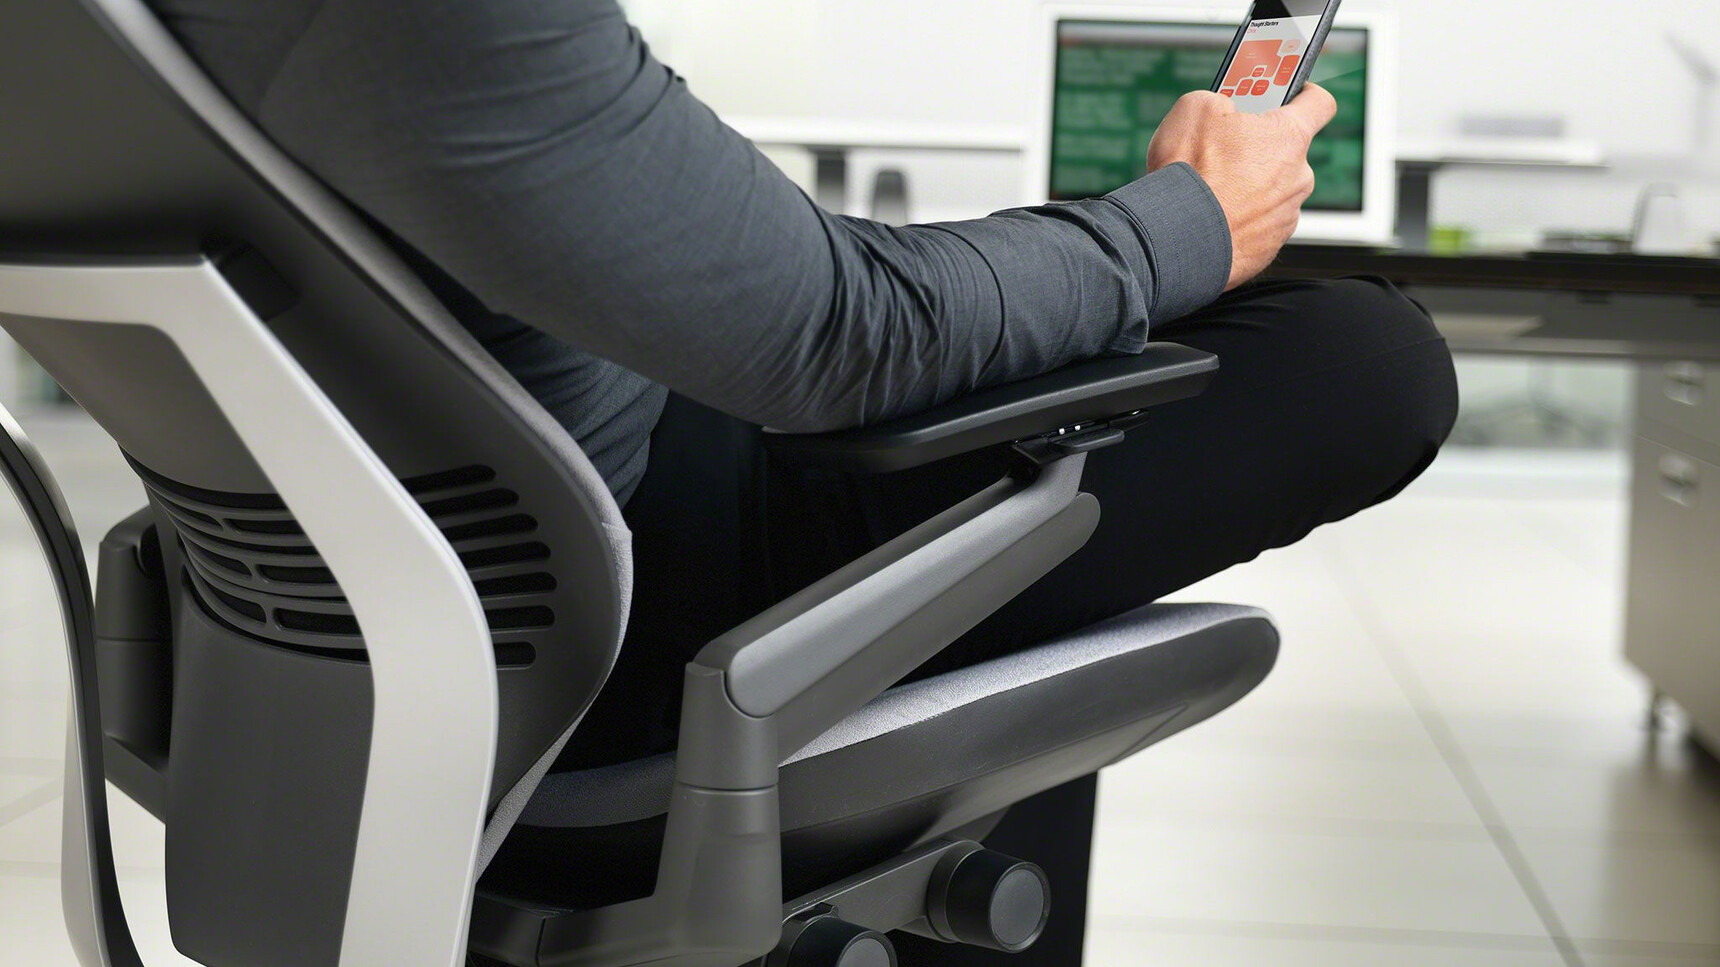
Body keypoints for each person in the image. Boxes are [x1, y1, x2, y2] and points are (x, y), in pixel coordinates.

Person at [147, 1, 1459, 962]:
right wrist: (1183, 222)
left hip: (326, 611)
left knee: (1051, 417)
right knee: (1362, 360)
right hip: (614, 608)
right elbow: (846, 332)